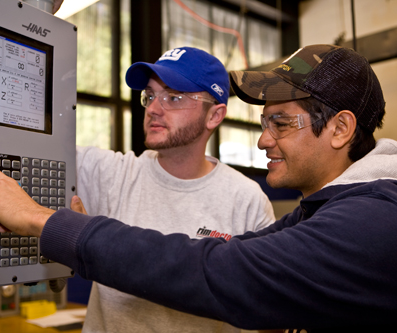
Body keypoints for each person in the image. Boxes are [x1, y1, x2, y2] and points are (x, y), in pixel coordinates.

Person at [0, 44, 397, 332]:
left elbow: (219, 270)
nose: (264, 140)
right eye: (152, 96)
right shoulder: (331, 207)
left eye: (281, 123)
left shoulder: (377, 221)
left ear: (341, 129)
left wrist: (44, 220)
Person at [26, 46, 277, 333]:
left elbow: (263, 306)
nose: (154, 109)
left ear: (214, 116)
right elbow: (28, 145)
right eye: (150, 95)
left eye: (173, 97)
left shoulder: (247, 201)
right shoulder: (110, 173)